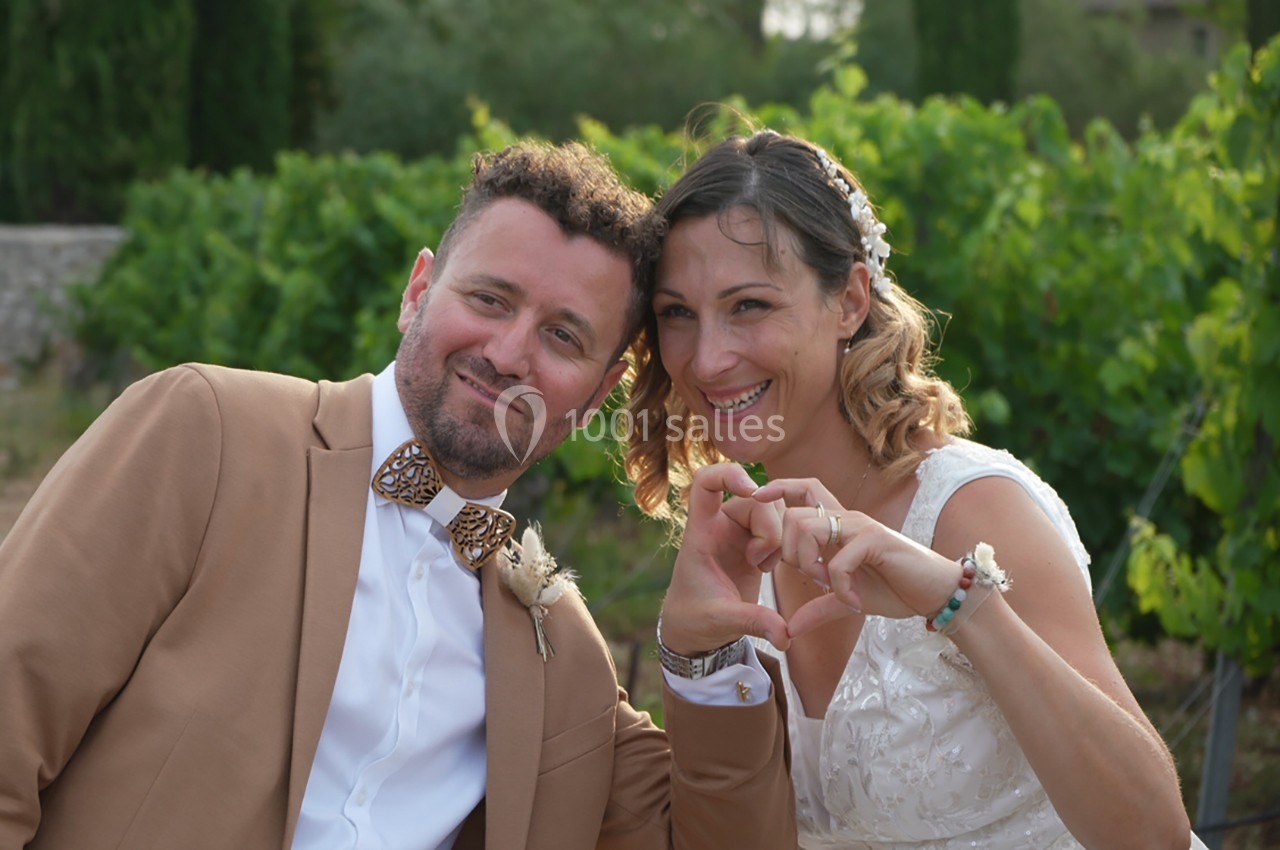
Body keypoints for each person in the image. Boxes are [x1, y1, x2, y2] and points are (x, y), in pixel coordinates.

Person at [0, 141, 796, 850]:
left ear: (598, 395)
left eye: (563, 336)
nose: (509, 352)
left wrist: (703, 654)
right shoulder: (205, 435)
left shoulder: (564, 652)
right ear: (418, 291)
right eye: (489, 299)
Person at [626, 130, 1202, 849]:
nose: (707, 359)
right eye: (677, 313)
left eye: (748, 305)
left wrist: (955, 600)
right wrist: (690, 658)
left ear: (850, 300)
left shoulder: (974, 509)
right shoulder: (742, 548)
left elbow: (1155, 833)